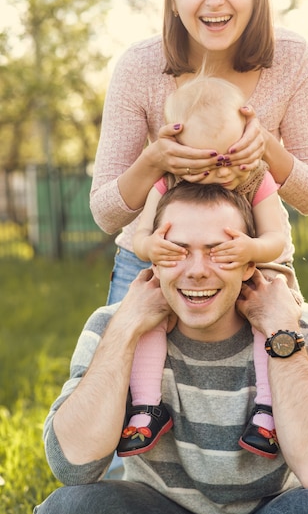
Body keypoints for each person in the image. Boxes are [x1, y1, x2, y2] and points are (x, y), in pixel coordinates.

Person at [89, 0, 308, 514]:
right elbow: (105, 209)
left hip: (254, 257)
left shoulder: (289, 60)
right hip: (159, 255)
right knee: (133, 418)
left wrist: (267, 153)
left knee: (289, 390)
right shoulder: (141, 68)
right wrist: (152, 163)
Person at [33, 183, 308, 514]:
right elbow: (72, 466)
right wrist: (125, 329)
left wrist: (281, 334)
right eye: (176, 251)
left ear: (249, 266)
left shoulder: (305, 328)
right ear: (155, 259)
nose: (196, 271)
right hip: (159, 513)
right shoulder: (113, 325)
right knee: (68, 510)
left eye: (219, 252)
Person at [119, 74, 289, 459]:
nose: (220, 174)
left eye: (229, 159)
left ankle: (267, 409)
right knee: (149, 318)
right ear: (179, 152)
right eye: (204, 163)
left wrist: (251, 248)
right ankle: (146, 406)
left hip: (255, 269)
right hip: (180, 267)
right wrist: (154, 246)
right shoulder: (166, 182)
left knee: (272, 321)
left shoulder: (256, 179)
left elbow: (277, 239)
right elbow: (140, 236)